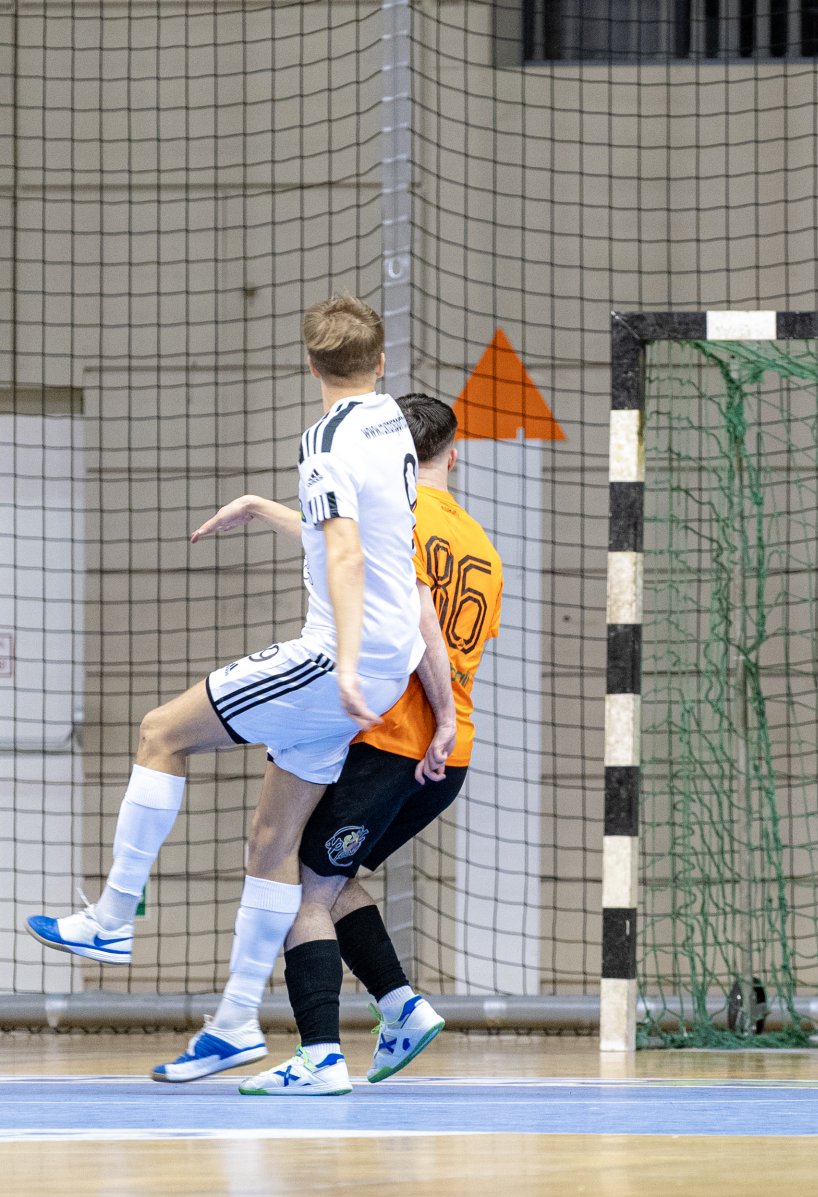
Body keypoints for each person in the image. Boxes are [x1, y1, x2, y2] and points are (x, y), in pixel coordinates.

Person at [26, 295, 447, 1085]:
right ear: (379, 362)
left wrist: (345, 663)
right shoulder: (391, 422)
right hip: (390, 660)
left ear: (309, 365)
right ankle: (232, 1024)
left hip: (337, 661)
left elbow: (348, 555)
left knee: (160, 732)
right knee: (271, 846)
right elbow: (357, 537)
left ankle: (113, 917)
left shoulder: (324, 441)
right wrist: (265, 509)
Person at [187, 394, 502, 1096]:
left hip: (395, 742)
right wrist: (266, 510)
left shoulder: (401, 521)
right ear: (454, 453)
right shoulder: (479, 545)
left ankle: (321, 1054)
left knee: (298, 882)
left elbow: (410, 618)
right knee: (331, 880)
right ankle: (399, 1005)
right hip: (448, 759)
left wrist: (433, 714)